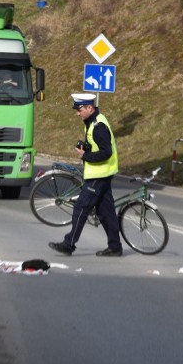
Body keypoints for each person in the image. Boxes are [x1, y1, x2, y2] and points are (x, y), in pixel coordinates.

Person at [49, 93, 123, 257]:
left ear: (90, 108)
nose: (78, 113)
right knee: (106, 213)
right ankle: (115, 246)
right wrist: (87, 147)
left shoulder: (98, 127)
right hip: (102, 174)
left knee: (81, 208)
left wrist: (85, 156)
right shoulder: (92, 122)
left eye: (80, 109)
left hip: (98, 175)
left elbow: (106, 153)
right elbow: (98, 147)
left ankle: (69, 244)